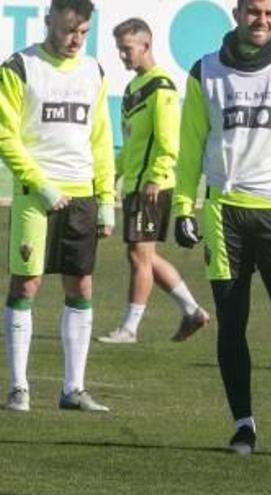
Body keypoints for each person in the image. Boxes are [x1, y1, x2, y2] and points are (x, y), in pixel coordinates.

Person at [173, 0, 271, 458]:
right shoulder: (203, 71)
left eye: (270, 13)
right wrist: (184, 206)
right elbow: (190, 148)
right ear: (236, 13)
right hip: (224, 214)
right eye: (252, 11)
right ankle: (243, 427)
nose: (260, 20)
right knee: (232, 325)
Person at [0, 0, 114, 412]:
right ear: (49, 20)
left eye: (83, 32)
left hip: (82, 194)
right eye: (68, 30)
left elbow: (101, 138)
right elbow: (4, 136)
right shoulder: (20, 67)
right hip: (37, 196)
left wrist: (106, 200)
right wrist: (40, 184)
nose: (75, 40)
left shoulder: (93, 71)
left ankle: (73, 389)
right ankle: (18, 387)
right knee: (26, 284)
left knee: (81, 284)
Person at [97, 18, 210, 345]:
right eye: (120, 49)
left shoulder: (162, 88)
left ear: (146, 46)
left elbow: (168, 141)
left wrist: (157, 178)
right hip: (135, 184)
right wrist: (114, 172)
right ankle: (192, 312)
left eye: (127, 49)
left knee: (138, 255)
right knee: (141, 254)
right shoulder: (134, 88)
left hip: (152, 186)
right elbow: (132, 143)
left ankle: (130, 328)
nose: (123, 56)